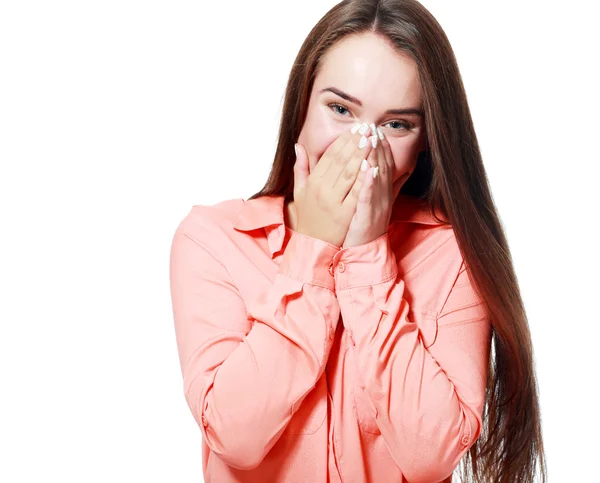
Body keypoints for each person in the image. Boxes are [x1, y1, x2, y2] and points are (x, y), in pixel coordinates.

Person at [169, 0, 547, 481]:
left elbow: (429, 455)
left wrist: (368, 258)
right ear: (302, 104)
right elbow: (234, 437)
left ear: (426, 141)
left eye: (396, 125)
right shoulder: (214, 240)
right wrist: (312, 250)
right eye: (340, 108)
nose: (362, 143)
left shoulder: (453, 256)